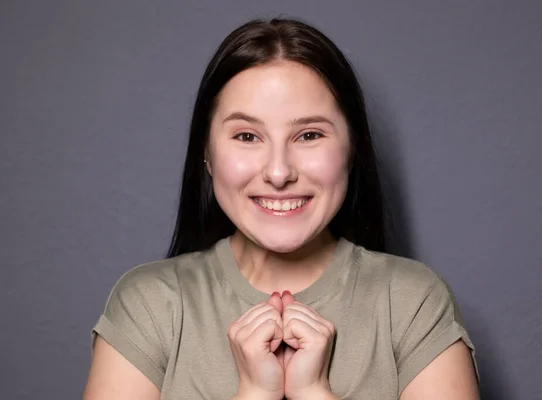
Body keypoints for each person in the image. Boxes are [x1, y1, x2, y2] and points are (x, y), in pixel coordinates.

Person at [83, 17, 479, 400]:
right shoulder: (149, 305)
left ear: (352, 147)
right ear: (207, 151)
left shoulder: (412, 302)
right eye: (247, 135)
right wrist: (254, 394)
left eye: (309, 135)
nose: (278, 172)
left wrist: (313, 393)